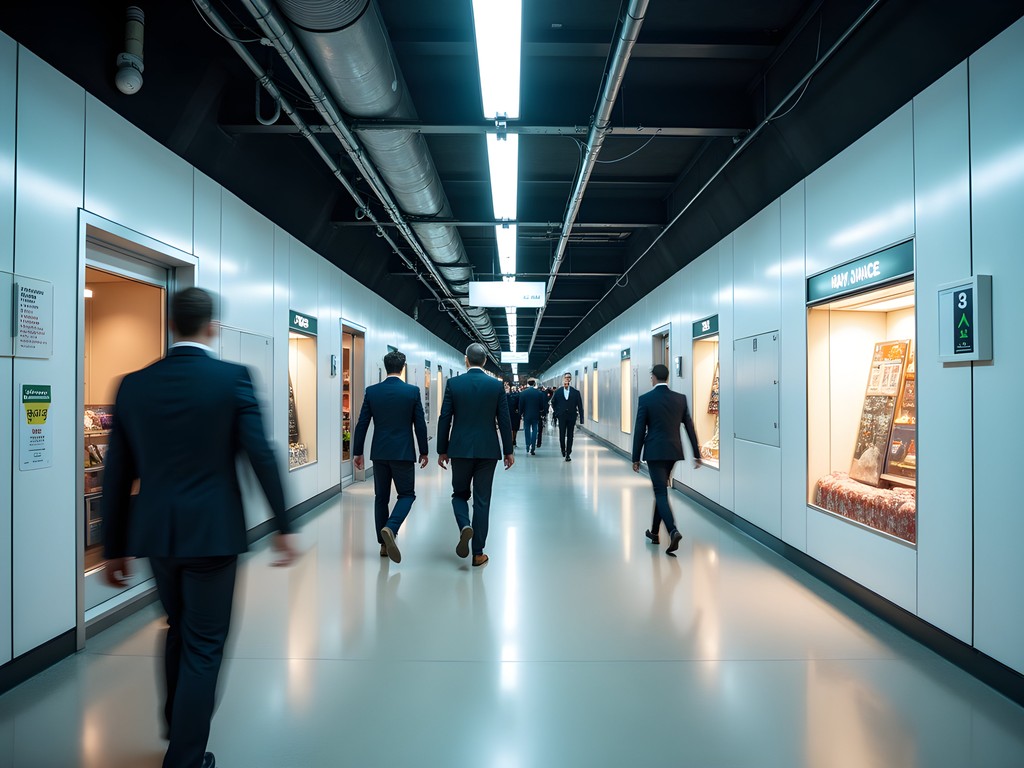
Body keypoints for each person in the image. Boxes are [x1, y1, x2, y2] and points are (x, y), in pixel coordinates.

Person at [101, 287, 298, 768]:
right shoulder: (231, 379)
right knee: (206, 643)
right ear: (212, 327)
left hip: (157, 535)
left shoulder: (133, 384)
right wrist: (283, 524)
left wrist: (115, 546)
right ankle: (185, 757)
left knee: (179, 627)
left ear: (173, 326)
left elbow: (117, 470)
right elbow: (261, 453)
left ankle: (176, 719)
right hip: (214, 534)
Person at [437, 343, 514, 566]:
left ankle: (464, 526)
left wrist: (442, 449)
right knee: (482, 500)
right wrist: (508, 450)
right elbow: (504, 419)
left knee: (459, 494)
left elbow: (445, 418)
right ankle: (478, 552)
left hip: (460, 449)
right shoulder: (495, 386)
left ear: (466, 360)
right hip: (488, 450)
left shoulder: (454, 384)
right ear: (485, 362)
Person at [352, 349, 429, 563]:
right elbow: (420, 425)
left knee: (381, 498)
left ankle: (384, 546)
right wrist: (424, 450)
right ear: (402, 368)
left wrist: (357, 451)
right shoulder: (412, 392)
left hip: (380, 452)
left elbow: (362, 424)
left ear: (386, 367)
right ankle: (391, 527)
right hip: (403, 453)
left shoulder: (372, 391)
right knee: (406, 495)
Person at [631, 363, 701, 555]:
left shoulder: (646, 399)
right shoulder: (679, 399)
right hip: (673, 451)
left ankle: (673, 530)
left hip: (654, 451)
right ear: (667, 377)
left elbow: (639, 431)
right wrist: (696, 453)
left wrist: (635, 458)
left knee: (660, 492)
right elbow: (689, 426)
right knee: (660, 489)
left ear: (653, 377)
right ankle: (654, 532)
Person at [551, 372, 584, 461]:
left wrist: (581, 418)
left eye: (569, 377)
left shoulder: (575, 392)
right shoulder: (558, 392)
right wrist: (557, 412)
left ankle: (568, 453)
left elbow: (580, 405)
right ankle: (563, 449)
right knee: (562, 434)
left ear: (571, 379)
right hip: (561, 416)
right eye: (566, 377)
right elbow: (553, 402)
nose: (567, 379)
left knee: (570, 435)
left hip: (571, 416)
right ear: (563, 379)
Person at [518, 378, 547, 455]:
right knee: (535, 430)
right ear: (534, 384)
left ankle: (527, 445)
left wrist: (520, 414)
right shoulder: (539, 393)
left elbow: (521, 405)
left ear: (528, 384)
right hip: (536, 415)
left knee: (527, 430)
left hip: (526, 415)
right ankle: (533, 447)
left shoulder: (523, 393)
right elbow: (541, 406)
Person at [505, 380, 521, 449]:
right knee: (515, 428)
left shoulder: (506, 397)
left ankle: (511, 441)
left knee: (510, 428)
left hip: (508, 414)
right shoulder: (518, 396)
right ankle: (514, 440)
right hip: (516, 414)